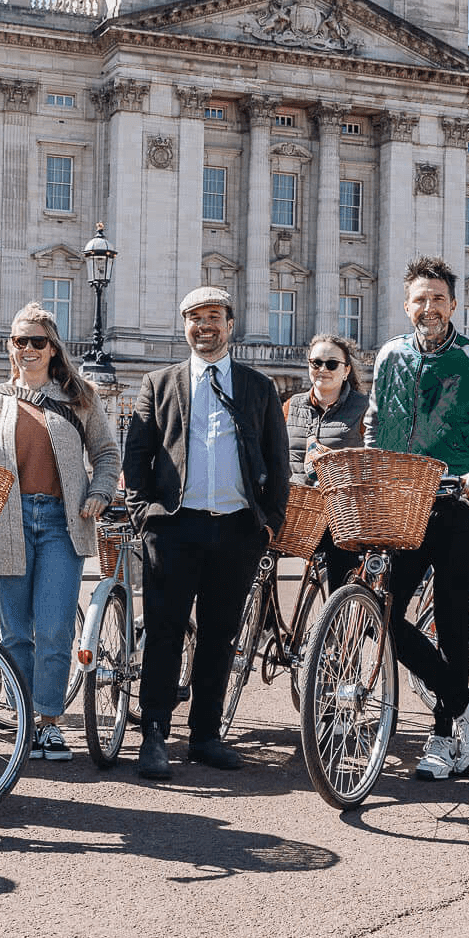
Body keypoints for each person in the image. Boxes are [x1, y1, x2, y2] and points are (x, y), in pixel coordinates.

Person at [123, 285, 290, 780]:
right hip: (174, 526)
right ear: (185, 326)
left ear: (230, 324)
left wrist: (270, 521)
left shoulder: (258, 387)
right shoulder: (160, 382)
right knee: (164, 632)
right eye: (195, 318)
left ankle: (205, 735)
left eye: (213, 316)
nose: (204, 326)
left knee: (220, 635)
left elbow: (278, 460)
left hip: (236, 528)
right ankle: (154, 732)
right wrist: (140, 511)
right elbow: (138, 453)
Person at [365, 256, 469, 780]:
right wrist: (368, 469)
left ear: (453, 305)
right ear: (406, 306)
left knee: (453, 621)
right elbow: (376, 421)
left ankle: (442, 734)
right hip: (401, 502)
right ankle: (464, 704)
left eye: (437, 299)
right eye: (419, 300)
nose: (428, 308)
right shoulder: (390, 354)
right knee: (380, 614)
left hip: (458, 501)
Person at [0, 302, 121, 761]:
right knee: (15, 634)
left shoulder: (80, 398)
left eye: (37, 341)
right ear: (10, 348)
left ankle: (48, 721)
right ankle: (24, 721)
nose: (27, 349)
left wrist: (100, 491)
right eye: (19, 341)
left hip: (60, 523)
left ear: (53, 348)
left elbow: (108, 454)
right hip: (5, 524)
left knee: (53, 630)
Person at [283, 333, 367, 592]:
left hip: (341, 515)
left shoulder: (364, 408)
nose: (322, 369)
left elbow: (374, 461)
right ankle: (262, 627)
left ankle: (337, 628)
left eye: (331, 364)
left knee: (342, 568)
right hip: (298, 511)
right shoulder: (291, 406)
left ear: (346, 370)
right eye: (316, 362)